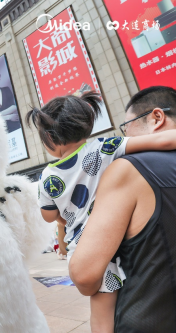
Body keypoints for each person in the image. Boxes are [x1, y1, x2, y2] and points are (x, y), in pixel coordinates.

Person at [26, 90, 176, 333]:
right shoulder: (106, 147)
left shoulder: (47, 177)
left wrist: (67, 214)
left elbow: (49, 216)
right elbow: (164, 141)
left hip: (87, 249)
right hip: (119, 244)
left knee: (102, 317)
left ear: (49, 138)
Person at [70, 86, 176, 332]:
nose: (126, 134)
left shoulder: (128, 169)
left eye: (127, 126)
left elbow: (85, 276)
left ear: (156, 118)